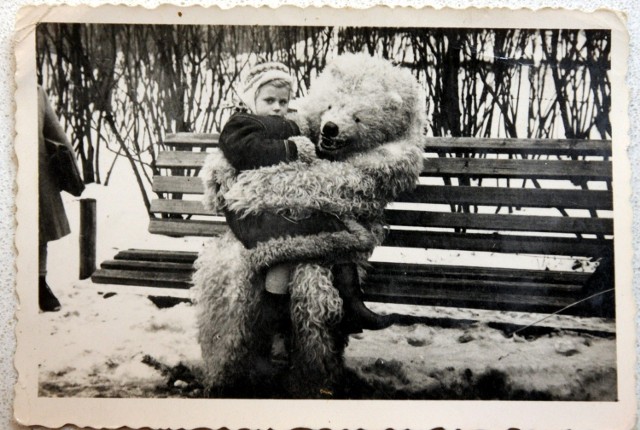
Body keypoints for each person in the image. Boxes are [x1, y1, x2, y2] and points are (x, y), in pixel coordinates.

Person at [218, 63, 393, 361]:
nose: (277, 108)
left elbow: (313, 154)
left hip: (289, 206)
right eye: (269, 101)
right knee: (283, 258)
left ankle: (353, 304)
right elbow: (244, 151)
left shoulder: (292, 123)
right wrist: (291, 150)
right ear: (251, 99)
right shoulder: (242, 124)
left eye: (283, 102)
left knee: (333, 233)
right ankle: (272, 336)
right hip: (260, 213)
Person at [37, 86, 82, 312]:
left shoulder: (34, 93)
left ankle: (39, 282)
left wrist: (71, 171)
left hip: (34, 173)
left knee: (39, 231)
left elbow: (56, 134)